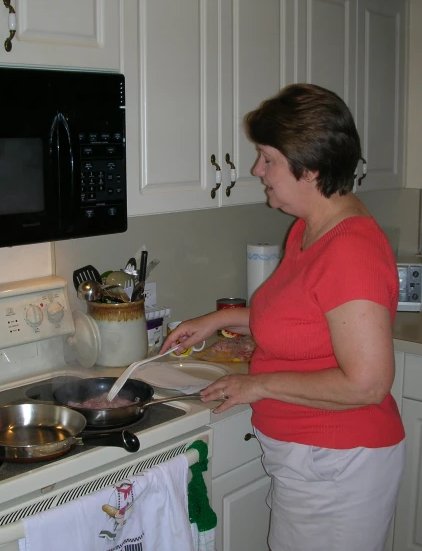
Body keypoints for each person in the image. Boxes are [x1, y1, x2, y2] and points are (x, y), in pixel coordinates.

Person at [160, 83, 405, 551]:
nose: (257, 170)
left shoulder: (350, 249)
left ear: (309, 168)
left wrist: (257, 386)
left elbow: (368, 384)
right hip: (312, 461)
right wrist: (222, 318)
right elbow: (301, 316)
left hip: (337, 466)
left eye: (268, 159)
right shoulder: (309, 230)